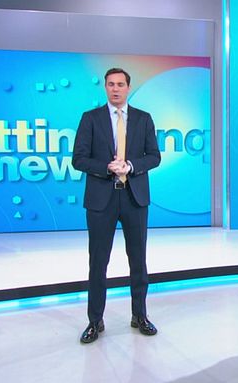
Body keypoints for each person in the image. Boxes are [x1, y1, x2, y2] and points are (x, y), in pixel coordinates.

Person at [72, 67, 162, 344]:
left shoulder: (144, 119)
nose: (115, 89)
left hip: (135, 198)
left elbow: (154, 156)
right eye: (111, 84)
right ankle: (95, 320)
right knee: (98, 262)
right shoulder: (90, 118)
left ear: (128, 87)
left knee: (138, 261)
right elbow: (78, 159)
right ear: (105, 87)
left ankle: (140, 315)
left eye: (120, 84)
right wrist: (106, 167)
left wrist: (131, 165)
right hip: (102, 199)